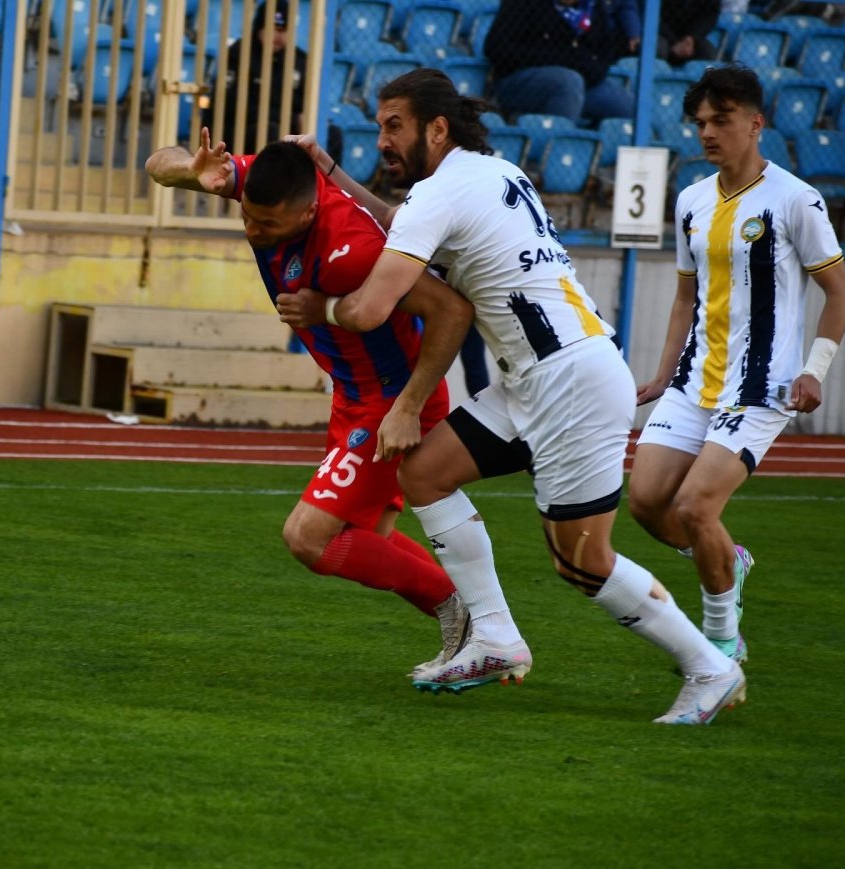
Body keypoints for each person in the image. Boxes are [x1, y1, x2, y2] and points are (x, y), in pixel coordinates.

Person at [277, 68, 747, 725]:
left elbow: (372, 305)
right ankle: (495, 638)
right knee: (425, 473)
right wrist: (331, 173)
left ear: (436, 129)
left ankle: (711, 666)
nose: (382, 140)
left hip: (569, 386)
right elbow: (402, 224)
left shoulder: (441, 193)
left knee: (583, 564)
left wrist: (318, 306)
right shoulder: (492, 174)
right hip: (539, 377)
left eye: (394, 126)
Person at [145, 128, 477, 672]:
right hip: (352, 394)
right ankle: (471, 622)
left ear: (305, 215)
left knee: (309, 538)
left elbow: (451, 311)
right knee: (368, 539)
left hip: (389, 400)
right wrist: (191, 171)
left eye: (267, 224)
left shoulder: (354, 250)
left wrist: (409, 406)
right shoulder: (266, 184)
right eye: (248, 216)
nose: (253, 229)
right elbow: (159, 162)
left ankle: (471, 614)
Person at [628, 65, 845, 668]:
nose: (707, 133)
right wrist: (662, 371)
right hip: (694, 379)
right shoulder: (691, 201)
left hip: (763, 386)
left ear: (756, 124)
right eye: (700, 122)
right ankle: (731, 558)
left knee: (695, 508)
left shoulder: (794, 199)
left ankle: (722, 640)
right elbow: (685, 296)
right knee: (646, 502)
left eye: (720, 121)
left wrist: (816, 369)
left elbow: (839, 292)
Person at [201, 0, 342, 162]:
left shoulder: (299, 60)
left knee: (332, 133)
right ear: (259, 27)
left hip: (287, 129)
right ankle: (271, 185)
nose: (278, 35)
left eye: (284, 30)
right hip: (241, 130)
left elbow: (306, 107)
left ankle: (325, 185)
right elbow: (233, 105)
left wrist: (304, 121)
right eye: (273, 28)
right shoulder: (239, 54)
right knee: (269, 131)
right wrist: (293, 119)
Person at [484, 0, 639, 126]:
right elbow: (496, 49)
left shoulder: (594, 8)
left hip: (583, 83)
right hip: (518, 82)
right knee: (568, 82)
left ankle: (592, 153)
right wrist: (558, 60)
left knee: (627, 105)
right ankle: (556, 151)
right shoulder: (522, 4)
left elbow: (604, 56)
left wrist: (587, 69)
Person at [657, 0, 722, 67]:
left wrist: (691, 38)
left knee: (707, 53)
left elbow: (710, 15)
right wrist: (673, 41)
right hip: (661, 34)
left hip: (691, 38)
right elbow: (652, 15)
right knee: (658, 48)